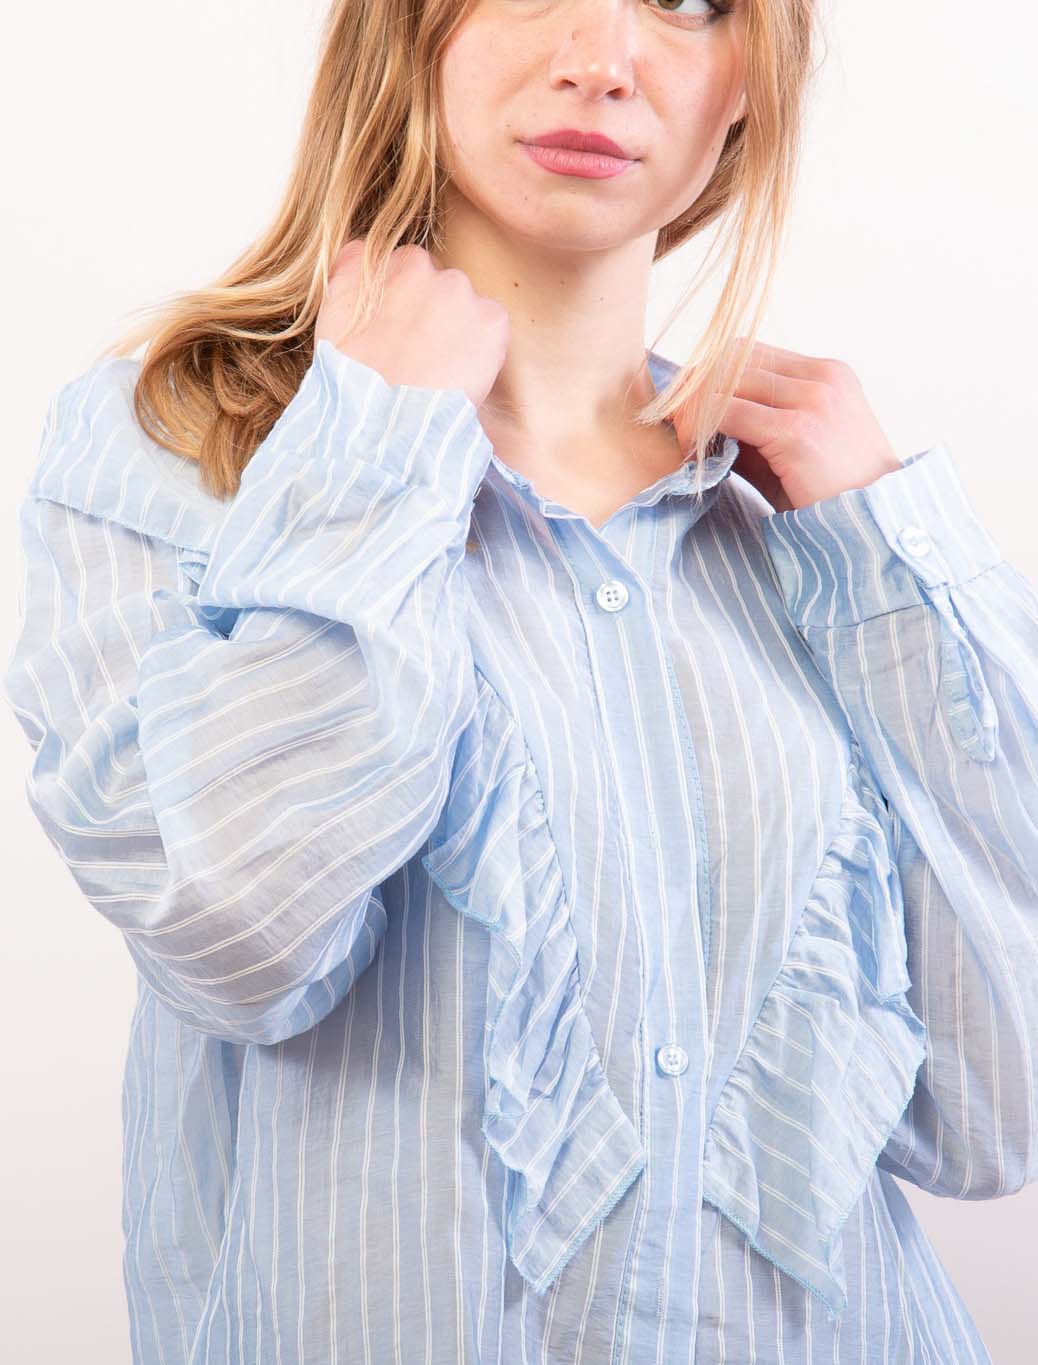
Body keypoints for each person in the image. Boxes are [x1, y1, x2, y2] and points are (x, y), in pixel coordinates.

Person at [5, 1, 1036, 1361]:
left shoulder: (820, 529)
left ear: (749, 77)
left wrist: (892, 562)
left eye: (689, 1)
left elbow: (995, 1114)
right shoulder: (184, 447)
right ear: (409, 26)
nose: (600, 61)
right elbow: (239, 940)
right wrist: (378, 445)